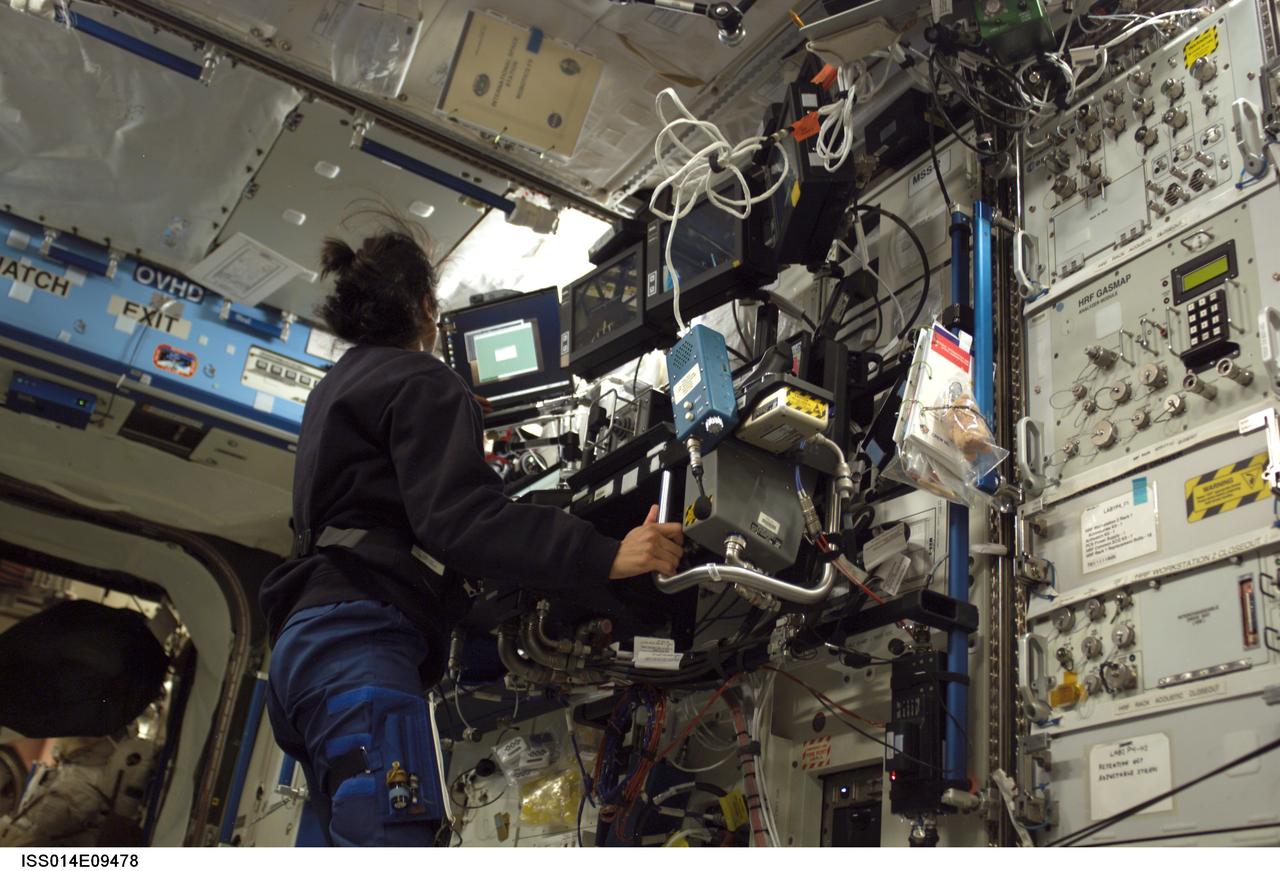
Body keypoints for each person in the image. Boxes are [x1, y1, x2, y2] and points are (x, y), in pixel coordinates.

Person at [260, 214, 684, 847]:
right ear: (426, 309)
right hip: (359, 650)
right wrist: (605, 554)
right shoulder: (423, 380)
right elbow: (460, 521)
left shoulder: (333, 389)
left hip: (302, 653)